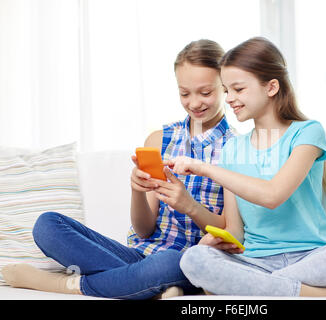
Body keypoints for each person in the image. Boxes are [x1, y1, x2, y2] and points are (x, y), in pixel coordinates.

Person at [0, 39, 235, 299]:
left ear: (225, 87)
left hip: (190, 262)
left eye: (205, 93)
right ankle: (149, 286)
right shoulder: (160, 139)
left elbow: (230, 232)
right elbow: (144, 230)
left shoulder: (237, 148)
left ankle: (66, 285)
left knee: (168, 262)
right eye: (184, 93)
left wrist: (190, 206)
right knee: (47, 225)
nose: (194, 103)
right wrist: (136, 190)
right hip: (138, 254)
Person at [166, 37, 326, 297]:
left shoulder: (307, 133)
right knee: (194, 259)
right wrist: (216, 243)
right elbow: (235, 230)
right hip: (254, 261)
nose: (230, 99)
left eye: (238, 89)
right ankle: (324, 295)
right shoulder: (233, 149)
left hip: (311, 257)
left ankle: (264, 287)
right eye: (226, 91)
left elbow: (272, 195)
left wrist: (203, 168)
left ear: (271, 87)